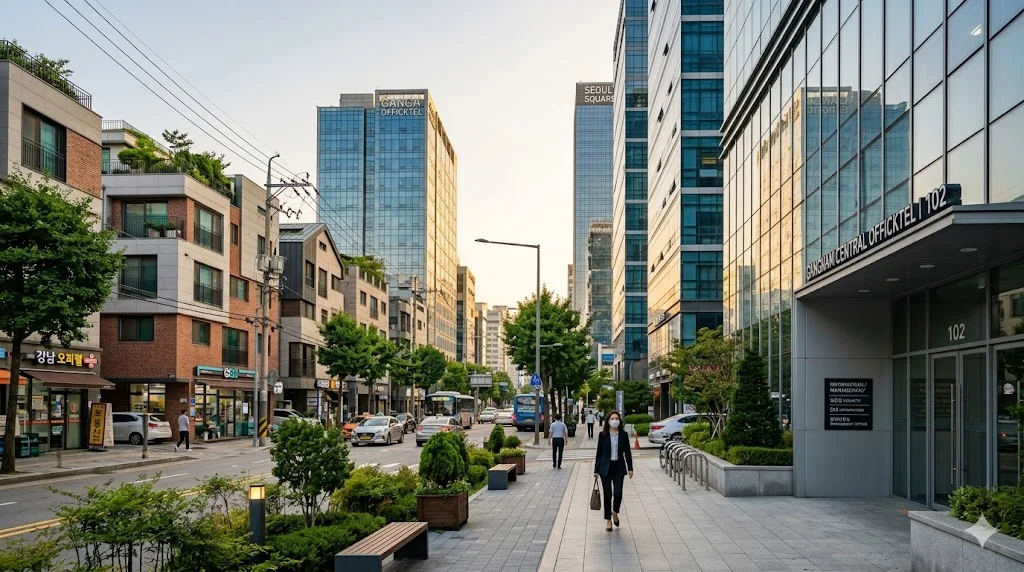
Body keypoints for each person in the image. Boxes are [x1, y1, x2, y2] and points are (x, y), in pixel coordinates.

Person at [593, 411, 633, 532]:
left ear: (619, 421)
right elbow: (599, 453)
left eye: (617, 418)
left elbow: (627, 452)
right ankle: (608, 521)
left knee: (618, 493)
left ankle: (615, 512)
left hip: (619, 467)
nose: (615, 420)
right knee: (607, 494)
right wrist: (596, 470)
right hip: (605, 468)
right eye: (612, 418)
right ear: (608, 421)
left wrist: (630, 467)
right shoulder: (603, 435)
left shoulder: (624, 435)